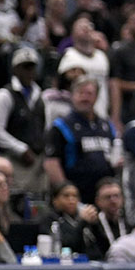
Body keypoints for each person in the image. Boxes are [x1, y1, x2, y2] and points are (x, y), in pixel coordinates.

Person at [43, 76, 117, 204]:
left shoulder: (106, 125)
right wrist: (68, 196)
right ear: (72, 96)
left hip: (105, 197)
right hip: (77, 196)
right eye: (80, 93)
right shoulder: (61, 126)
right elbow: (51, 164)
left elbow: (114, 155)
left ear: (97, 97)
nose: (85, 98)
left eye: (89, 93)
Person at [0, 46, 48, 195]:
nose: (29, 72)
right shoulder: (5, 95)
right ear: (15, 69)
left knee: (38, 200)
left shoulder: (39, 95)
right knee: (17, 198)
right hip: (14, 160)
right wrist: (20, 149)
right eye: (25, 67)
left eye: (32, 67)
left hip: (37, 158)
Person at [57, 17, 110, 120]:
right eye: (81, 27)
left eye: (89, 27)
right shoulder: (70, 55)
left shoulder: (102, 56)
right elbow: (62, 85)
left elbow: (108, 84)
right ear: (73, 34)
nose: (86, 29)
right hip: (77, 114)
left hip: (101, 112)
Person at [81, 177, 128, 261]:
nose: (113, 201)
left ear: (122, 199)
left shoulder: (129, 223)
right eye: (108, 197)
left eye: (116, 196)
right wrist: (82, 223)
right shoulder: (92, 224)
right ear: (98, 201)